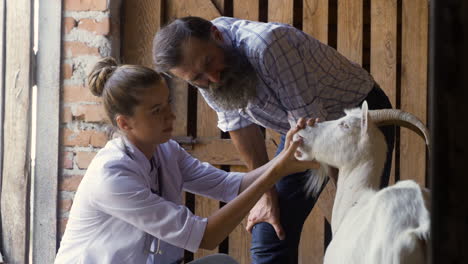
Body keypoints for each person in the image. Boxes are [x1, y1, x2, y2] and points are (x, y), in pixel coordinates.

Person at [152, 16, 395, 264]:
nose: (212, 79)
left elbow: (313, 126)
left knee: (358, 226)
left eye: (210, 62)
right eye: (197, 79)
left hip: (353, 121)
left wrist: (345, 201)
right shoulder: (203, 71)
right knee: (269, 233)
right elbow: (240, 127)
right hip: (301, 128)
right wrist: (266, 196)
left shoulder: (266, 45)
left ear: (216, 35)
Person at [54, 57, 319, 264]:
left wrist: (286, 157)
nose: (171, 116)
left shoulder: (166, 150)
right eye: (156, 111)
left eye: (168, 104)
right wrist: (277, 171)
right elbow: (207, 236)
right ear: (125, 123)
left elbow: (232, 185)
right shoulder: (111, 177)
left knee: (222, 263)